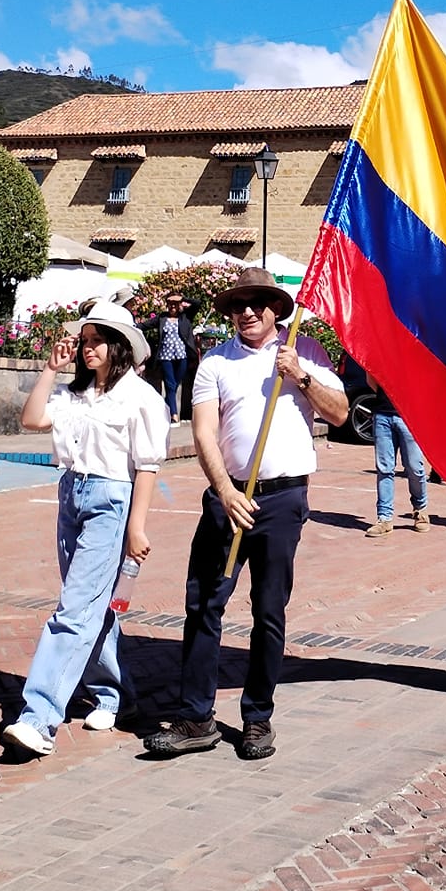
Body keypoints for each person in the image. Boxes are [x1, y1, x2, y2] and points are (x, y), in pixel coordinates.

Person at [146, 267, 347, 762]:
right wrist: (224, 491)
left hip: (283, 501)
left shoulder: (307, 352)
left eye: (258, 302)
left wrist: (299, 375)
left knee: (268, 612)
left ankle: (258, 719)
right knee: (204, 607)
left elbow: (340, 413)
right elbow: (203, 433)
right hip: (227, 497)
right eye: (238, 305)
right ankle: (196, 718)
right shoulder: (215, 362)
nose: (248, 312)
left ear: (276, 309)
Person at [1, 300, 169, 757]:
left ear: (119, 346)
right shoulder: (75, 394)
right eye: (86, 340)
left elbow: (147, 467)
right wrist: (50, 371)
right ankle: (118, 695)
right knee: (92, 606)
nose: (87, 348)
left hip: (111, 503)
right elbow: (32, 419)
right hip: (70, 496)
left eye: (97, 340)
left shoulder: (141, 399)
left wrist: (137, 528)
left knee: (74, 609)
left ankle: (39, 718)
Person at [366, 376, 430, 537]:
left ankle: (420, 510)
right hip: (382, 414)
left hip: (409, 415)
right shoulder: (383, 352)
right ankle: (384, 518)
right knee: (384, 469)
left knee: (415, 467)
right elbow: (370, 378)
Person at [149, 292, 196, 421]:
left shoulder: (185, 317)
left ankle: (166, 406)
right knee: (170, 384)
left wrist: (183, 298)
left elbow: (197, 304)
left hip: (182, 355)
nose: (172, 307)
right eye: (170, 304)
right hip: (166, 356)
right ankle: (174, 415)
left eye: (175, 304)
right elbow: (144, 325)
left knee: (175, 384)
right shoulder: (162, 318)